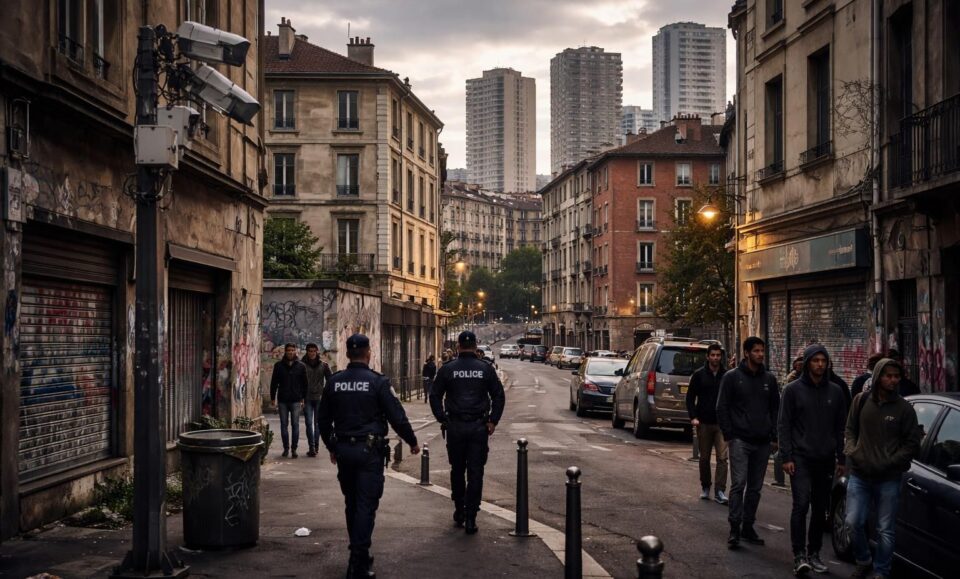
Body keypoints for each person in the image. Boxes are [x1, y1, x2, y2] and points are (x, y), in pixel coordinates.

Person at [317, 334, 420, 579]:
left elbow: (322, 420)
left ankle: (360, 554)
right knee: (365, 506)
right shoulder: (377, 382)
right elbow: (397, 416)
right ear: (368, 352)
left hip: (343, 450)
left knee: (351, 504)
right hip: (369, 451)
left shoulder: (335, 382)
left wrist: (331, 445)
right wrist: (412, 441)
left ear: (347, 353)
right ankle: (357, 561)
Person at [844, 357, 922, 579]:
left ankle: (881, 571)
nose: (893, 380)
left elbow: (912, 444)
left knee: (885, 530)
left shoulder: (904, 409)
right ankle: (863, 558)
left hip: (888, 478)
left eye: (897, 376)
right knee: (853, 522)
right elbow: (850, 429)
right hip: (860, 475)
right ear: (878, 377)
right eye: (888, 376)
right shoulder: (860, 401)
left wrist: (891, 461)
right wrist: (852, 451)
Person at [778, 344, 848, 576]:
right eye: (815, 360)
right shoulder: (792, 390)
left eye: (823, 360)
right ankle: (799, 555)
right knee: (800, 505)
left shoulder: (836, 392)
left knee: (820, 509)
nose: (819, 364)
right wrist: (786, 456)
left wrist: (841, 457)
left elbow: (841, 427)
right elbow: (784, 424)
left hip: (826, 459)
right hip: (800, 458)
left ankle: (814, 552)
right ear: (807, 363)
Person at [429, 331, 506, 535]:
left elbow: (434, 395)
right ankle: (471, 516)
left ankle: (459, 510)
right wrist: (492, 421)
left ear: (458, 347)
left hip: (455, 426)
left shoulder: (448, 369)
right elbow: (499, 395)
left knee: (457, 470)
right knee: (475, 472)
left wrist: (442, 418)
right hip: (478, 427)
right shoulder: (485, 369)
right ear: (475, 346)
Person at [717, 336, 780, 550]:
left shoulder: (769, 380)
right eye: (756, 351)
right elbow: (722, 407)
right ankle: (734, 528)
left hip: (762, 442)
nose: (760, 354)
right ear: (746, 353)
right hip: (740, 440)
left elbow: (775, 409)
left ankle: (748, 526)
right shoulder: (732, 378)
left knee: (755, 488)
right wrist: (729, 434)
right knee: (738, 484)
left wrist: (774, 437)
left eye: (762, 350)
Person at [686, 343, 728, 504]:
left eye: (718, 355)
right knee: (704, 458)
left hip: (722, 424)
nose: (716, 358)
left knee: (722, 458)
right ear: (708, 356)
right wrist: (693, 417)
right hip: (703, 422)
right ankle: (705, 486)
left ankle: (720, 490)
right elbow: (690, 398)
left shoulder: (727, 375)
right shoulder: (699, 375)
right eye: (713, 355)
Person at [270, 343, 308, 458]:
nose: (290, 352)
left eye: (292, 350)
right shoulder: (278, 366)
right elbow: (274, 383)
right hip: (283, 400)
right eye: (288, 350)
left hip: (296, 400)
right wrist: (273, 398)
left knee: (295, 425)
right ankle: (286, 448)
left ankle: (294, 449)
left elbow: (305, 384)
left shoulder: (301, 366)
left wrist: (303, 398)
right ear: (285, 351)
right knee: (283, 425)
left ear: (295, 351)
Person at [302, 343, 332, 457]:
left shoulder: (324, 365)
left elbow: (330, 380)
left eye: (314, 351)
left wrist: (327, 394)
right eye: (310, 351)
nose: (312, 353)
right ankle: (312, 447)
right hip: (307, 398)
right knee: (309, 423)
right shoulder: (301, 364)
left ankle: (316, 446)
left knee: (317, 423)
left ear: (317, 352)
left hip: (320, 398)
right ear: (307, 352)